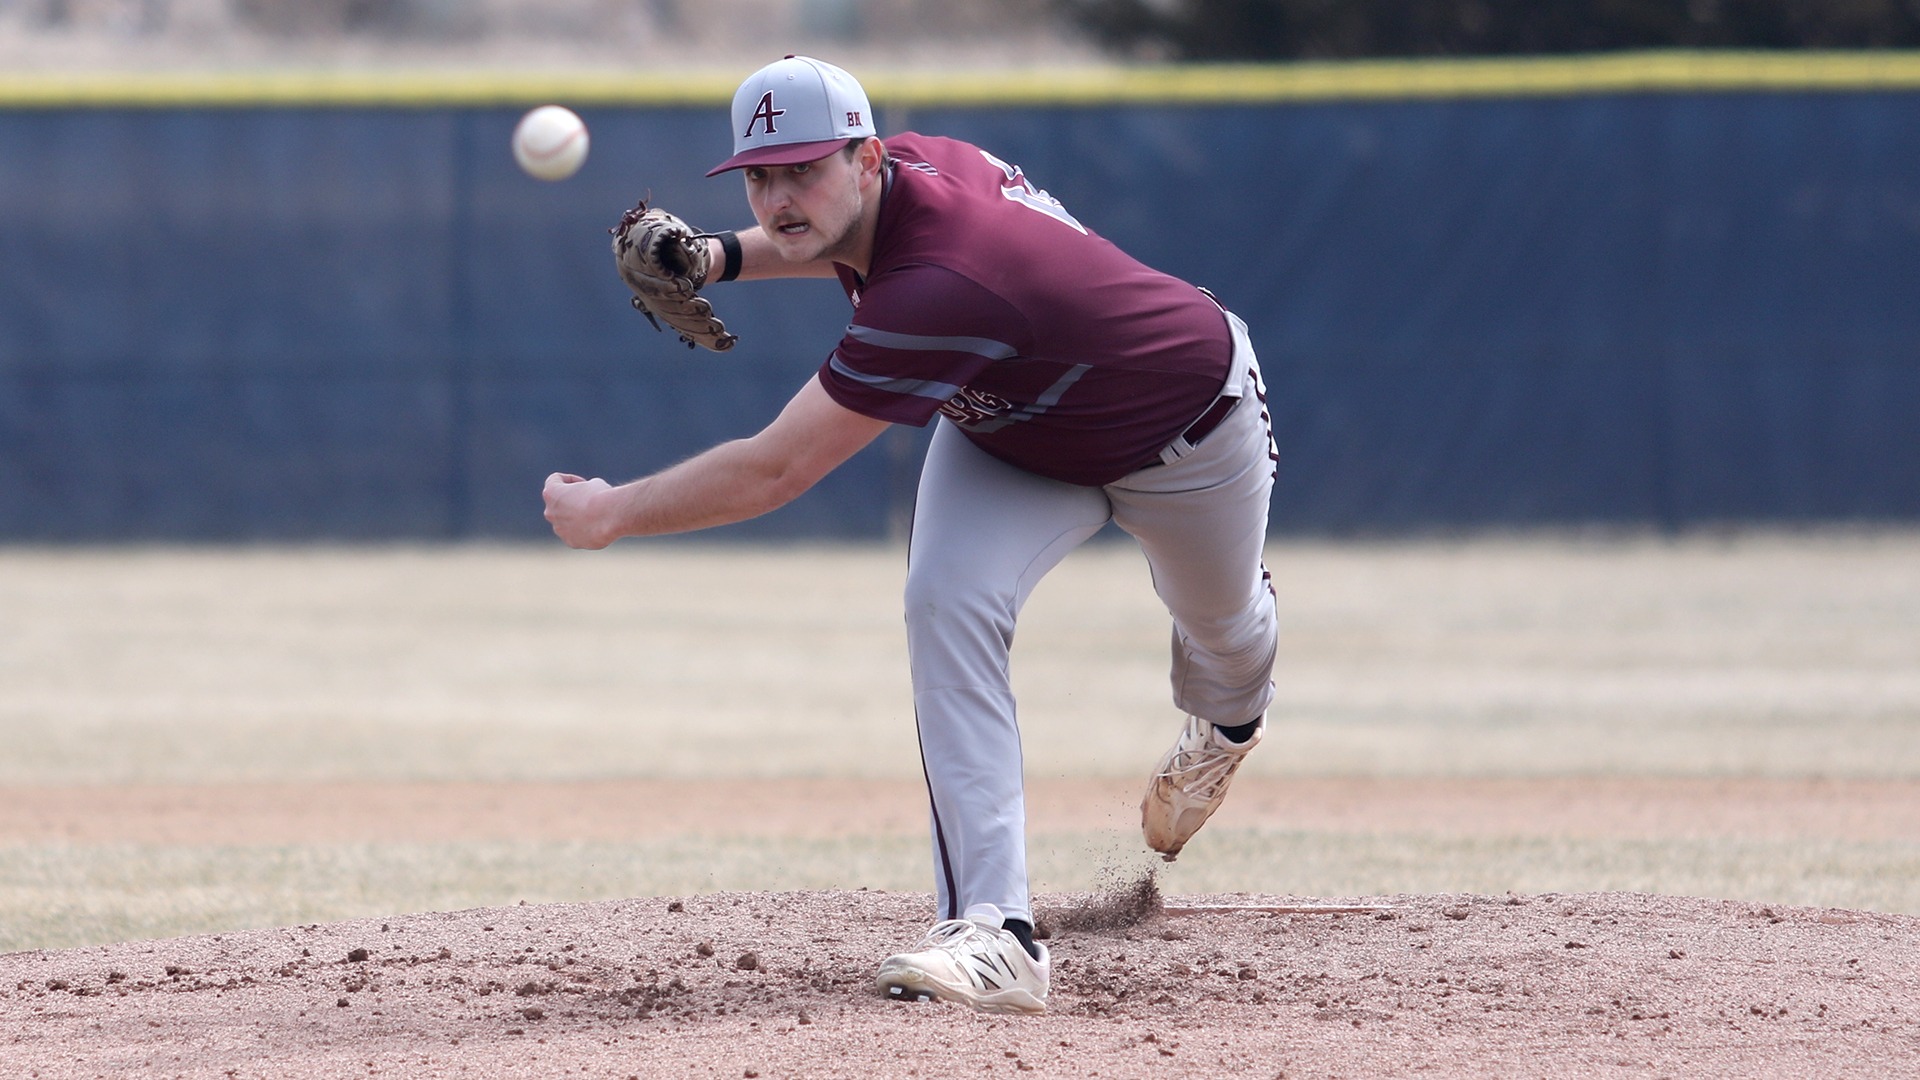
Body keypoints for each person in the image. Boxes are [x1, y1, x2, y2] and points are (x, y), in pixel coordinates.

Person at [543, 55, 1279, 1015]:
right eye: (760, 177)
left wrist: (611, 513)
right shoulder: (915, 175)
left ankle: (1228, 725)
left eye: (804, 169)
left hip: (1186, 429)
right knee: (944, 603)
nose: (779, 198)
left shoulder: (943, 283)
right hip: (1013, 435)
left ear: (868, 157)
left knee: (1223, 635)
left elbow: (777, 470)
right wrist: (715, 256)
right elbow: (827, 240)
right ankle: (995, 931)